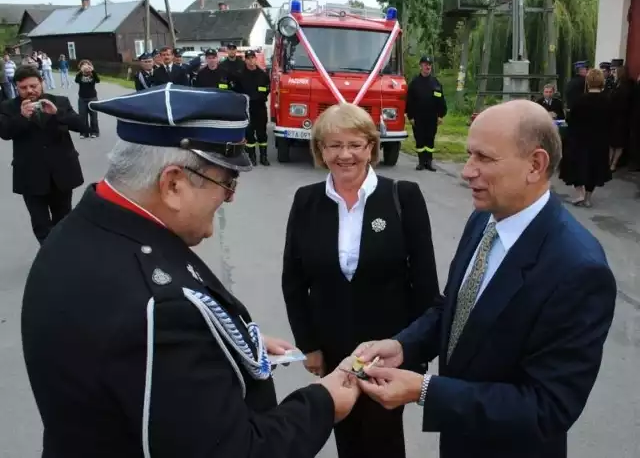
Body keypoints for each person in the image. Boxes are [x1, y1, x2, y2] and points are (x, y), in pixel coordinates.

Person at [21, 83, 360, 457]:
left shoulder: (82, 229)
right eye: (227, 182)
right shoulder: (161, 308)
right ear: (173, 184)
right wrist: (323, 402)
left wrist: (224, 345)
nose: (229, 197)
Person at [354, 99, 617, 458]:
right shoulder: (485, 220)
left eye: (484, 158)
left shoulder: (578, 269)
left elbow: (548, 407)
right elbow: (454, 305)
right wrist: (404, 346)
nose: (466, 170)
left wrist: (426, 390)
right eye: (469, 155)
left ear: (535, 165)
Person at [282, 103, 441, 458]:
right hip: (333, 348)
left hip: (389, 352)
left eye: (355, 144)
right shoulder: (306, 201)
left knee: (383, 439)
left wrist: (414, 352)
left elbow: (425, 284)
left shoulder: (403, 197)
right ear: (320, 150)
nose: (345, 155)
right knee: (345, 433)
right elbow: (293, 279)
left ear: (371, 146)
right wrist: (309, 344)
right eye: (334, 145)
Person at [0, 65, 86, 245]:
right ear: (16, 87)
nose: (29, 91)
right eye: (23, 88)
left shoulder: (59, 102)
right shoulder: (8, 107)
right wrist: (22, 117)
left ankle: (61, 256)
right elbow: (5, 133)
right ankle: (48, 257)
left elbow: (82, 125)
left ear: (42, 83)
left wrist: (57, 114)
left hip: (61, 173)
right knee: (41, 224)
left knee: (63, 220)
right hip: (30, 176)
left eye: (33, 86)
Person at [562, 69, 612, 207]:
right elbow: (610, 121)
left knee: (577, 165)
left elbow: (571, 120)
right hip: (599, 140)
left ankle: (579, 193)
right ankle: (588, 198)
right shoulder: (607, 100)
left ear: (588, 82)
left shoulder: (579, 101)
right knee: (595, 167)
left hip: (580, 139)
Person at [405, 55, 447, 171]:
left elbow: (441, 100)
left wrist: (441, 115)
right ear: (420, 66)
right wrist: (410, 116)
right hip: (418, 117)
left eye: (429, 65)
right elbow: (409, 101)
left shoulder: (436, 83)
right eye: (425, 65)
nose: (427, 67)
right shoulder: (415, 83)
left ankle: (429, 162)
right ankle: (421, 162)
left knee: (430, 139)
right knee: (420, 139)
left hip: (432, 117)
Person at [234, 50, 271, 166]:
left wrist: (259, 96)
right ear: (245, 60)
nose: (251, 60)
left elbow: (267, 89)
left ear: (256, 59)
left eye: (252, 58)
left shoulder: (263, 75)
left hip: (259, 107)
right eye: (248, 58)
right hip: (247, 109)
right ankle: (252, 157)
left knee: (262, 134)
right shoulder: (240, 75)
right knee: (249, 133)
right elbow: (236, 91)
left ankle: (264, 157)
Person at [75, 59, 100, 138]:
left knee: (94, 116)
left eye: (87, 65)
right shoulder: (79, 75)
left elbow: (98, 80)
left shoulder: (93, 75)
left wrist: (93, 71)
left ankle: (94, 132)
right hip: (82, 98)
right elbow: (76, 80)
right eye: (83, 65)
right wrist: (80, 72)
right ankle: (84, 133)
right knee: (82, 116)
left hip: (92, 98)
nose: (85, 67)